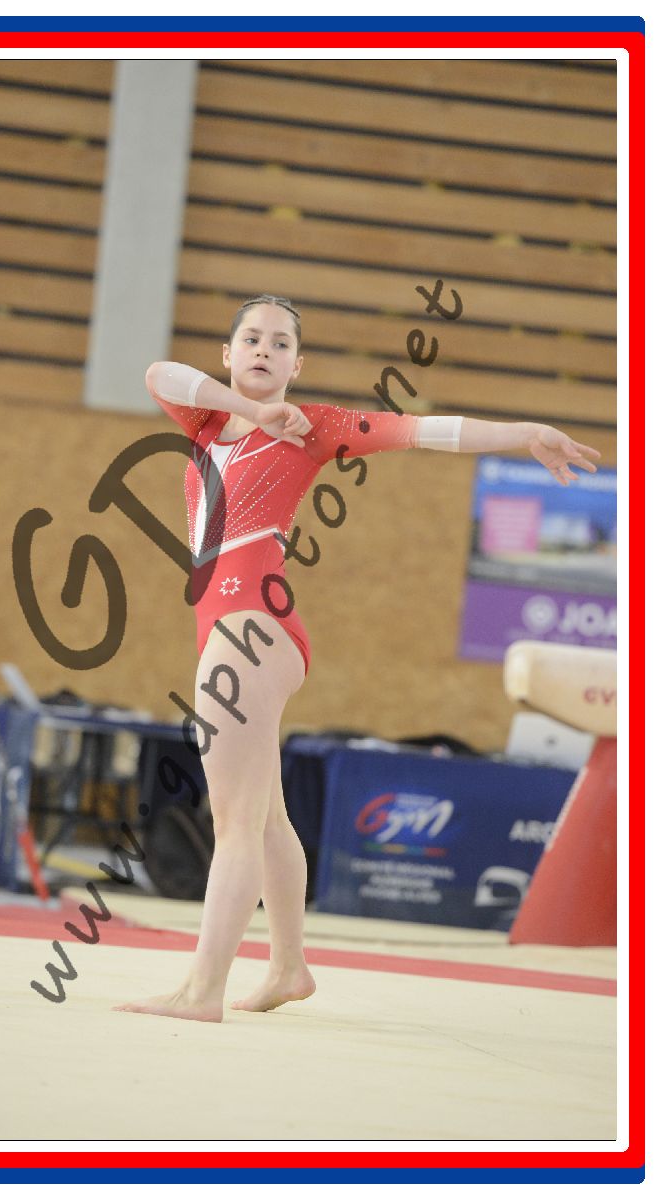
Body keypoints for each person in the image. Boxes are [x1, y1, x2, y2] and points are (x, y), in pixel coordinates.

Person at [113, 294, 601, 1023]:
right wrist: (251, 410)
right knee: (266, 819)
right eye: (252, 338)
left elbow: (427, 430)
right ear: (229, 352)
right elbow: (158, 373)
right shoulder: (207, 421)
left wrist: (523, 431)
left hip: (251, 627)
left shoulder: (316, 427)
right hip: (237, 626)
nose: (264, 350)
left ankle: (201, 990)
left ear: (297, 364)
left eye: (280, 343)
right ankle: (288, 967)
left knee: (237, 820)